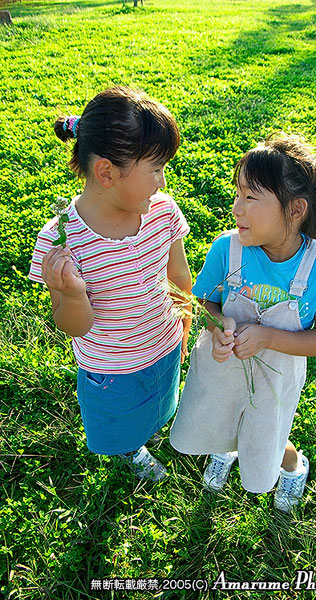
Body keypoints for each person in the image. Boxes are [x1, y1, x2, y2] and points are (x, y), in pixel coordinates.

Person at [170, 133, 316, 511]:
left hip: (275, 380)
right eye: (237, 195)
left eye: (250, 198)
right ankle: (225, 448)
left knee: (265, 438)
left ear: (295, 210)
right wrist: (218, 328)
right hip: (223, 371)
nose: (236, 209)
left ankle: (291, 465)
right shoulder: (227, 248)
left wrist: (267, 337)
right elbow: (205, 302)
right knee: (220, 420)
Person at [29, 86, 192, 482]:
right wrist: (71, 294)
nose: (162, 181)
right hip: (113, 367)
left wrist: (185, 321)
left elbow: (178, 277)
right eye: (155, 169)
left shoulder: (162, 212)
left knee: (159, 403)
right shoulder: (62, 241)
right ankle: (131, 448)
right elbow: (73, 326)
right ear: (106, 172)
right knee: (121, 422)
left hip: (164, 344)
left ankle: (150, 427)